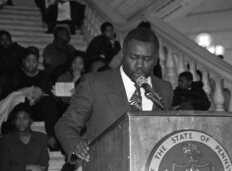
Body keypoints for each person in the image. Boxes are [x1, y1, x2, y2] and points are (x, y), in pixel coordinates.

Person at [55, 27, 173, 162]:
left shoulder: (165, 89)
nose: (139, 65)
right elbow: (64, 125)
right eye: (133, 57)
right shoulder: (94, 84)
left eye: (147, 59)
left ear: (156, 59)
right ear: (122, 54)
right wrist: (76, 145)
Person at [6, 46, 59, 150]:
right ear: (23, 61)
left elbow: (46, 92)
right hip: (22, 108)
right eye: (28, 60)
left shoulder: (43, 75)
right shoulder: (17, 75)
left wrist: (37, 98)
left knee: (49, 101)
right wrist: (27, 92)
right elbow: (11, 94)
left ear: (38, 62)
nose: (31, 64)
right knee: (20, 101)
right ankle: (17, 138)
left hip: (38, 109)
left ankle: (52, 137)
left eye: (34, 61)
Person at [0, 103, 49, 171]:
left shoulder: (41, 138)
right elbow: (4, 168)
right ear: (14, 121)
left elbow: (43, 166)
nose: (21, 121)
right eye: (18, 118)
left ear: (31, 121)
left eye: (25, 118)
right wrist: (26, 167)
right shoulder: (6, 140)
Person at [0, 30, 26, 98]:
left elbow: (26, 52)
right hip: (2, 74)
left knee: (17, 79)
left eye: (7, 39)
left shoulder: (16, 48)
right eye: (2, 40)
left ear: (10, 40)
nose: (5, 42)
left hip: (15, 73)